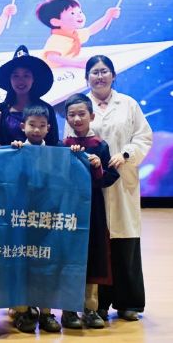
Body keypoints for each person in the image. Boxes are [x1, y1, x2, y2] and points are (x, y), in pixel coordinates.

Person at [80, 55, 152, 321]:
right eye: (94, 72)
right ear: (86, 77)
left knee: (126, 240)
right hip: (94, 183)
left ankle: (129, 302)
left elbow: (143, 136)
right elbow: (72, 139)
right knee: (98, 242)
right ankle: (98, 303)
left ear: (113, 75)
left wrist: (126, 154)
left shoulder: (128, 104)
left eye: (104, 71)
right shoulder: (81, 105)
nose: (99, 77)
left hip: (123, 181)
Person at [62, 93, 120, 329]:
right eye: (72, 115)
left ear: (92, 116)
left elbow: (108, 179)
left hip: (93, 210)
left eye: (81, 114)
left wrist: (97, 166)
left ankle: (91, 308)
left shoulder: (101, 146)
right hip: (67, 209)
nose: (77, 119)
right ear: (66, 118)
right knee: (67, 256)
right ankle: (67, 310)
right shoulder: (62, 146)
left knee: (93, 254)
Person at [9, 105, 63, 333]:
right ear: (23, 126)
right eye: (32, 124)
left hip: (46, 218)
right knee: (21, 264)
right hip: (21, 218)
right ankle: (23, 311)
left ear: (49, 128)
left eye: (42, 126)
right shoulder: (15, 150)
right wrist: (13, 152)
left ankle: (47, 312)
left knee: (46, 265)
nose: (37, 130)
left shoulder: (56, 153)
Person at [0, 45, 59, 146]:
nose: (21, 81)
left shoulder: (47, 109)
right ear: (10, 80)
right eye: (16, 76)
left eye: (26, 76)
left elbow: (53, 143)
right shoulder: (0, 110)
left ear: (33, 79)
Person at [36, 0, 120, 68]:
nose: (79, 15)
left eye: (80, 11)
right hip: (50, 70)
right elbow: (52, 57)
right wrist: (77, 63)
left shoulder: (74, 34)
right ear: (56, 22)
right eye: (72, 13)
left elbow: (91, 30)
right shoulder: (57, 39)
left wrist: (107, 16)